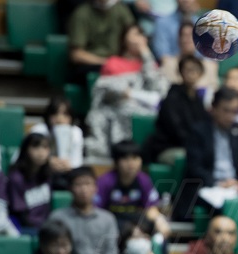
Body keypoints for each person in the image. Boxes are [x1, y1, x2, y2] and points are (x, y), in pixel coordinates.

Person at [172, 87, 238, 222]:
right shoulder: (198, 131)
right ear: (214, 108)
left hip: (235, 187)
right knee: (222, 206)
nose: (230, 116)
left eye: (234, 111)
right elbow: (194, 168)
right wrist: (220, 183)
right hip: (209, 187)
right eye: (226, 110)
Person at [85, 24, 168, 158]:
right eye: (135, 34)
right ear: (124, 39)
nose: (138, 39)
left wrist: (146, 53)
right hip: (117, 106)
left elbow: (158, 89)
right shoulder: (114, 62)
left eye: (141, 35)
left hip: (144, 107)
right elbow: (107, 89)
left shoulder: (149, 65)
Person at [49, 166, 120, 254]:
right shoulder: (58, 218)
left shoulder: (108, 219)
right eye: (78, 184)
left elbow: (111, 252)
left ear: (95, 188)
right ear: (70, 188)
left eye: (88, 184)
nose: (84, 189)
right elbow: (55, 251)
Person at [142, 54, 209, 166]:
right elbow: (175, 130)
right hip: (168, 147)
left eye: (195, 69)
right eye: (187, 69)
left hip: (191, 146)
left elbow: (203, 126)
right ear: (180, 72)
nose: (192, 73)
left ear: (201, 73)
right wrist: (195, 145)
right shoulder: (172, 97)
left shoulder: (198, 99)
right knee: (194, 156)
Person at [96, 140, 170, 238]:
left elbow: (151, 207)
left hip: (134, 219)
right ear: (116, 162)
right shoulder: (105, 181)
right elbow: (96, 211)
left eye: (135, 158)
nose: (131, 164)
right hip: (112, 221)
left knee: (157, 227)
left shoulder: (144, 180)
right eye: (125, 159)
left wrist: (159, 220)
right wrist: (130, 230)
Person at [66, 0, 135, 85]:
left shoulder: (121, 10)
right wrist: (107, 63)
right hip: (92, 65)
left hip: (118, 62)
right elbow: (76, 55)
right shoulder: (81, 14)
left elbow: (134, 35)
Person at [29, 96, 84, 189]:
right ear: (48, 115)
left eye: (65, 114)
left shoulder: (76, 132)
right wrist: (47, 162)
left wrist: (70, 165)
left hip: (68, 174)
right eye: (55, 113)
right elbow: (27, 159)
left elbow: (77, 161)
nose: (59, 119)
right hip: (41, 174)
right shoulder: (38, 130)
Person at [158, 21, 219, 98]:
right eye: (184, 35)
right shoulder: (168, 64)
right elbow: (164, 90)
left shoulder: (210, 66)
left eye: (191, 35)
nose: (187, 39)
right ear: (178, 40)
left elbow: (213, 93)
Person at [7, 133, 52, 235]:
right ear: (25, 150)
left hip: (44, 225)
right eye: (35, 147)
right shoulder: (16, 178)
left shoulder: (47, 174)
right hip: (23, 227)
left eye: (45, 147)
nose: (41, 152)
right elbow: (19, 214)